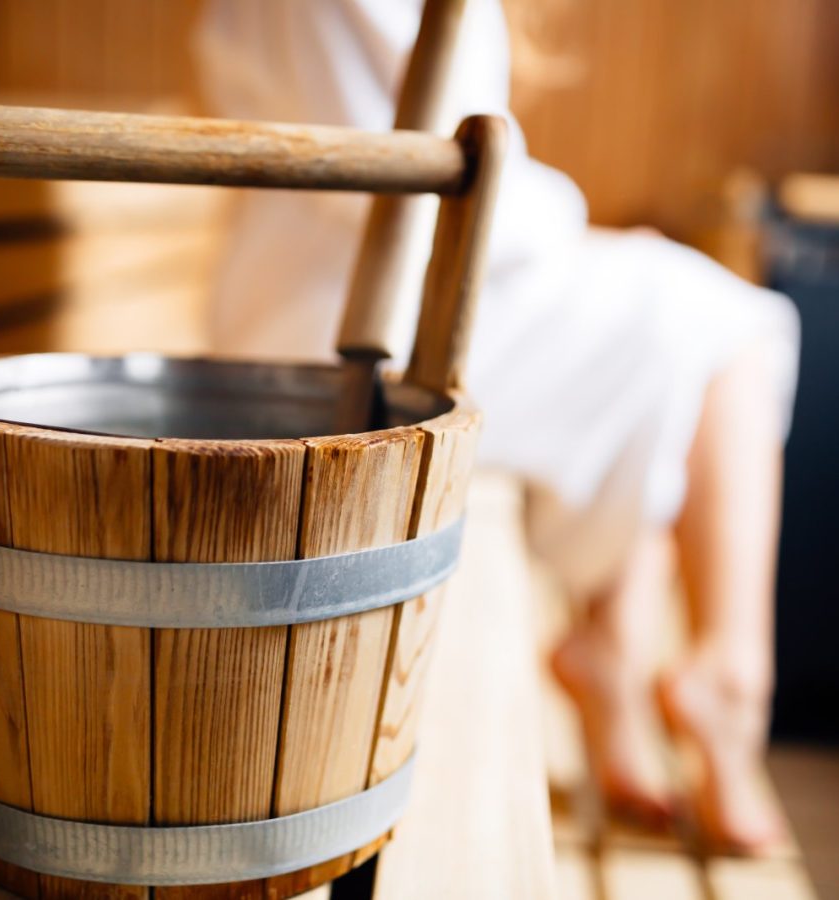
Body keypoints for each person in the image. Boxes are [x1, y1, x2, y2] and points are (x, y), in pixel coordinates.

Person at [195, 0, 799, 854]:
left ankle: (614, 664)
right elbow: (399, 166)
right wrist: (574, 220)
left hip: (369, 295)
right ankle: (729, 678)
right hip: (349, 325)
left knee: (661, 333)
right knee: (727, 328)